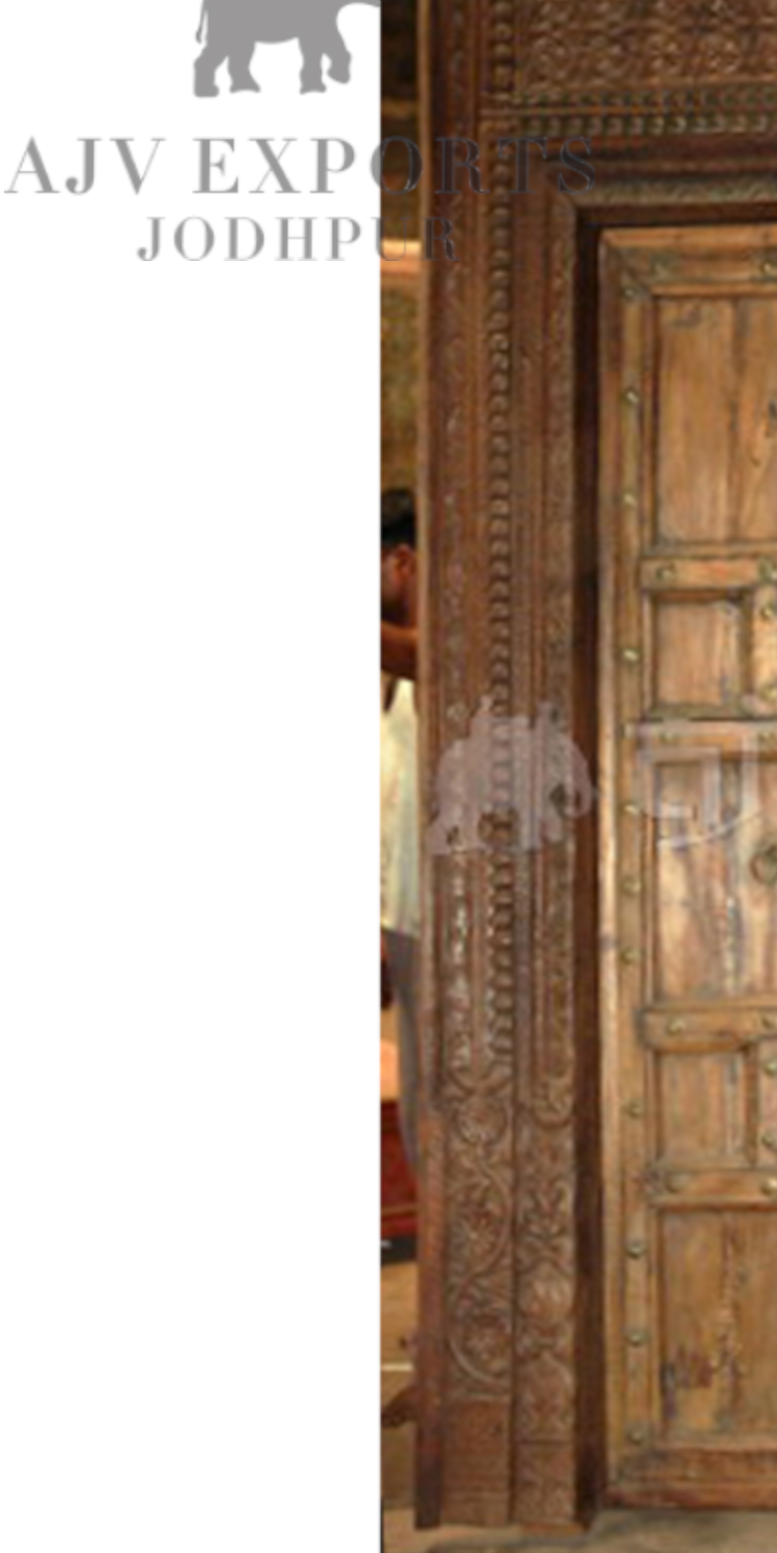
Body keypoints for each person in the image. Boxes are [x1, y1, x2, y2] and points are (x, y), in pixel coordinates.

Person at [380, 490, 421, 1174]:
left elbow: (427, 654)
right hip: (402, 915)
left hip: (443, 919)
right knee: (420, 1094)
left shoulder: (440, 655)